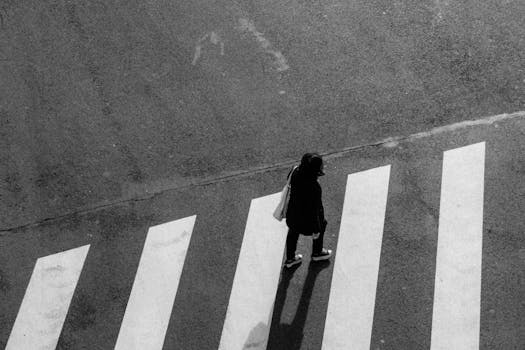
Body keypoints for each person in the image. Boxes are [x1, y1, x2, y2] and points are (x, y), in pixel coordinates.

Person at [284, 153, 332, 268]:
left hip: (293, 214)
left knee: (292, 233)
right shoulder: (314, 187)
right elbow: (315, 210)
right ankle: (317, 252)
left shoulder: (295, 172)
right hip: (307, 222)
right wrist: (316, 229)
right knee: (322, 225)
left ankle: (290, 258)